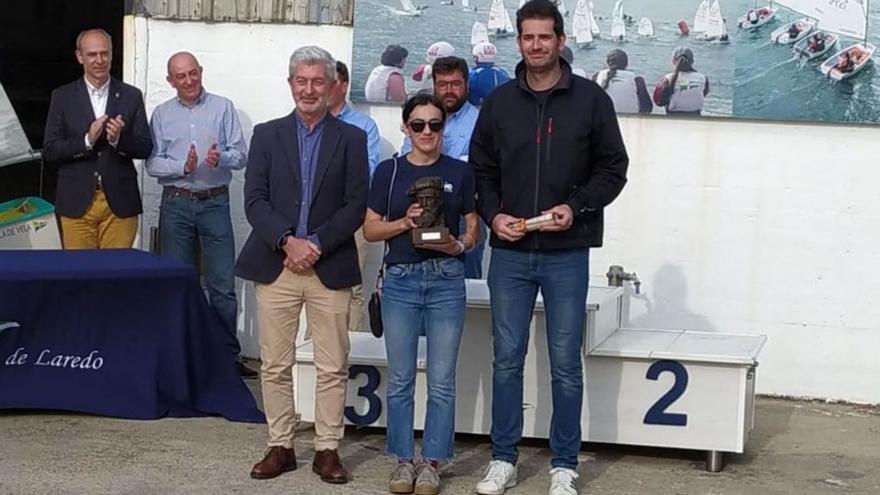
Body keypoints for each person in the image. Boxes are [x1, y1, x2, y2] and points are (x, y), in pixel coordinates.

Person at [469, 1, 629, 494]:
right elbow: (481, 168)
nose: (536, 45)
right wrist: (494, 215)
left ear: (561, 40)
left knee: (564, 361)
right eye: (527, 37)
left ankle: (564, 464)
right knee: (506, 359)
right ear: (518, 41)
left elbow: (613, 168)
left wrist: (575, 208)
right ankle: (503, 459)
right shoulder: (499, 103)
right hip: (511, 253)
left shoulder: (590, 100)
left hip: (567, 251)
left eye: (545, 37)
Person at [235, 46, 368, 484]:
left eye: (317, 82)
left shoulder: (351, 138)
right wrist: (288, 241)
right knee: (275, 363)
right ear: (290, 83)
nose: (309, 90)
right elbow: (253, 199)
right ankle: (281, 444)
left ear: (331, 86)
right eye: (301, 81)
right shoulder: (268, 136)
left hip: (328, 265)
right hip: (277, 264)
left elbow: (355, 204)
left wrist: (315, 244)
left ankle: (328, 449)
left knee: (332, 365)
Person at [364, 93, 480, 495]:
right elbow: (370, 229)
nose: (427, 132)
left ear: (444, 128)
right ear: (405, 127)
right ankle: (402, 460)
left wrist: (459, 247)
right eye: (418, 125)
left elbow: (472, 227)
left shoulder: (460, 173)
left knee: (443, 379)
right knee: (399, 378)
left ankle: (431, 462)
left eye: (434, 124)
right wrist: (404, 222)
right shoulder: (388, 172)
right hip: (401, 278)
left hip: (447, 276)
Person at [145, 52, 254, 377]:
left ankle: (225, 357)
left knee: (222, 283)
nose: (189, 81)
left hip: (215, 202)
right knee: (180, 281)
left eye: (193, 73)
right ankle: (181, 355)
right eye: (181, 76)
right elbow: (152, 163)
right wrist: (183, 166)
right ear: (170, 81)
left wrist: (219, 157)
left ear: (201, 71)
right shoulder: (162, 114)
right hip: (176, 203)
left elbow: (241, 155)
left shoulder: (223, 107)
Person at [42, 28, 152, 249]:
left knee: (116, 276)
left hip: (120, 202)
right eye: (92, 54)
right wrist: (87, 140)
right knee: (79, 276)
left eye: (105, 53)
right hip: (76, 200)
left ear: (112, 54)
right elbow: (50, 150)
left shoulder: (131, 95)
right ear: (80, 56)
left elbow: (145, 147)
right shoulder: (62, 96)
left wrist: (117, 140)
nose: (99, 60)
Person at [401, 56, 486, 279]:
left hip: (463, 215)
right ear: (435, 85)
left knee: (465, 289)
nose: (449, 91)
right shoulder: (419, 121)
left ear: (467, 85)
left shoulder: (482, 123)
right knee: (415, 284)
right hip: (419, 211)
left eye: (455, 84)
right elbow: (405, 162)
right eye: (442, 84)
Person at [327, 60, 382, 332]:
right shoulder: (309, 124)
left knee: (353, 287)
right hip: (317, 219)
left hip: (352, 217)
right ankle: (311, 355)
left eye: (331, 82)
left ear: (344, 85)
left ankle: (353, 360)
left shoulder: (364, 127)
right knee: (316, 289)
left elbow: (365, 171)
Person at [652, 47, 710, 116]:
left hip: (673, 117)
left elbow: (659, 102)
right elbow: (703, 94)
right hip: (696, 117)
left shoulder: (667, 79)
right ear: (692, 62)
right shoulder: (703, 78)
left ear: (673, 61)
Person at [592, 49, 652, 114]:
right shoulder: (636, 80)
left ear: (608, 63)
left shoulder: (596, 77)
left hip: (602, 120)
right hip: (629, 120)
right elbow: (647, 108)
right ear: (626, 64)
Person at [468, 41, 511, 106]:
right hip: (502, 109)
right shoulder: (504, 73)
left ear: (476, 58)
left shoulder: (472, 75)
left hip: (477, 111)